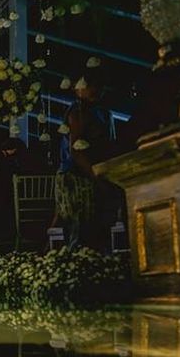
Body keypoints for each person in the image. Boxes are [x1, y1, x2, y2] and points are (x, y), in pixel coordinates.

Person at [56, 71, 113, 250]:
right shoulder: (77, 112)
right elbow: (76, 151)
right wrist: (97, 177)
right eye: (90, 86)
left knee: (96, 229)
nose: (96, 89)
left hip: (92, 174)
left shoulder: (101, 112)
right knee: (81, 231)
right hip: (78, 177)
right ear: (79, 89)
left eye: (99, 85)